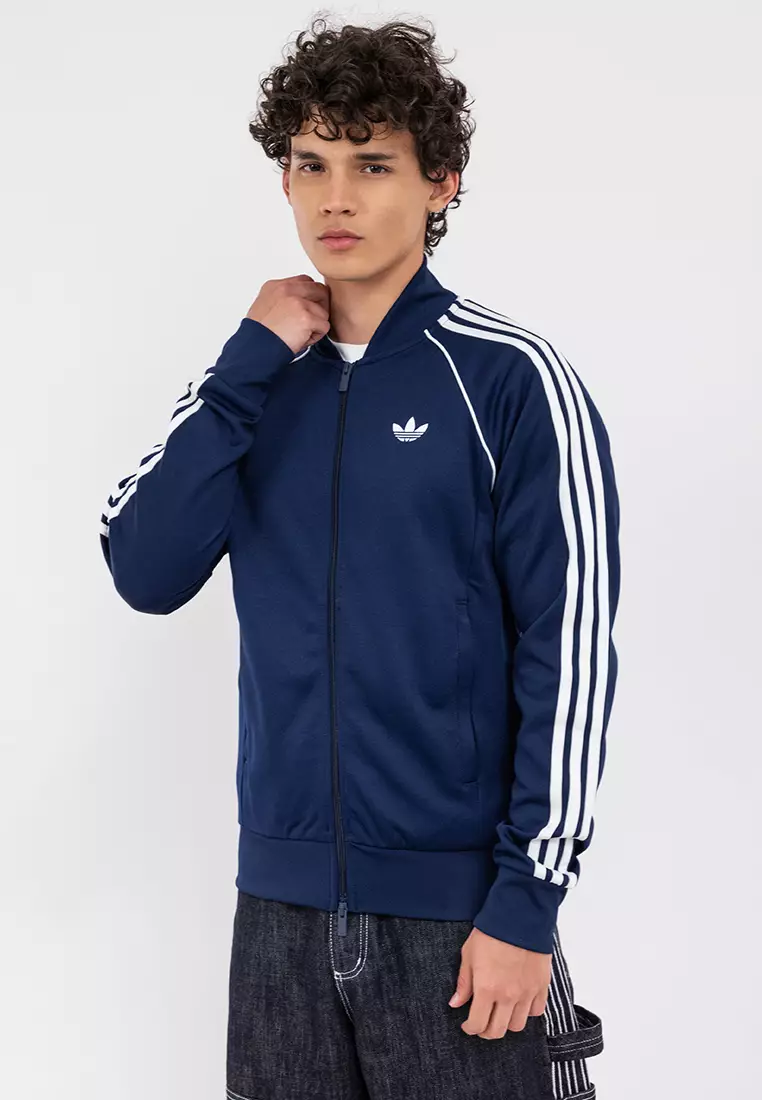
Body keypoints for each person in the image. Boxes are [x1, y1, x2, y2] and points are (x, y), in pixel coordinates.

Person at [100, 14, 620, 1100]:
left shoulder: (512, 380)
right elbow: (143, 567)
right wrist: (244, 366)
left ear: (441, 184)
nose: (335, 197)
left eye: (373, 164)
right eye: (311, 163)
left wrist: (528, 903)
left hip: (461, 921)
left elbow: (569, 651)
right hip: (278, 920)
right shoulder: (252, 386)